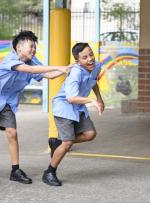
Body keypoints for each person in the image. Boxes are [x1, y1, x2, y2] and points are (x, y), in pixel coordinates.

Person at [0, 30, 70, 184]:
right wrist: (60, 67)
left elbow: (49, 75)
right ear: (19, 48)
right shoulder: (10, 60)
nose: (33, 50)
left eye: (35, 47)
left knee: (12, 132)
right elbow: (33, 71)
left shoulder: (33, 62)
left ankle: (15, 170)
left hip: (6, 103)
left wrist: (68, 70)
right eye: (31, 46)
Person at [42, 42, 104, 186]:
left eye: (91, 54)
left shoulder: (96, 66)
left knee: (90, 134)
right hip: (64, 107)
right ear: (77, 61)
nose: (90, 59)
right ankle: (49, 172)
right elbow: (70, 99)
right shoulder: (76, 72)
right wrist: (91, 100)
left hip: (78, 106)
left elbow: (93, 82)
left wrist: (100, 99)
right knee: (68, 143)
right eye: (84, 57)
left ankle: (58, 142)